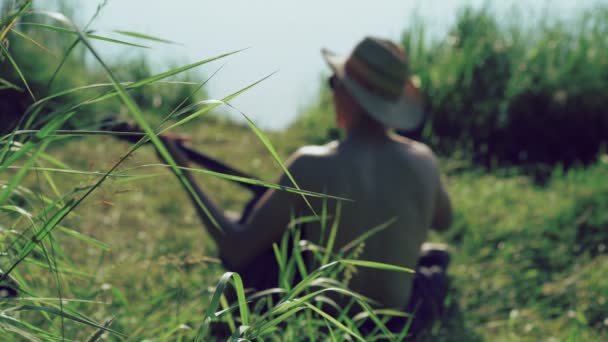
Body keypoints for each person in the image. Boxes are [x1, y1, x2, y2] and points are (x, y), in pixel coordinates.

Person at [161, 36, 453, 334]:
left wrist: (181, 169)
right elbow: (445, 219)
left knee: (258, 236)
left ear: (346, 92)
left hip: (325, 328)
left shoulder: (311, 164)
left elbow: (236, 248)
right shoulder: (424, 160)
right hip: (397, 326)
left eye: (333, 82)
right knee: (433, 261)